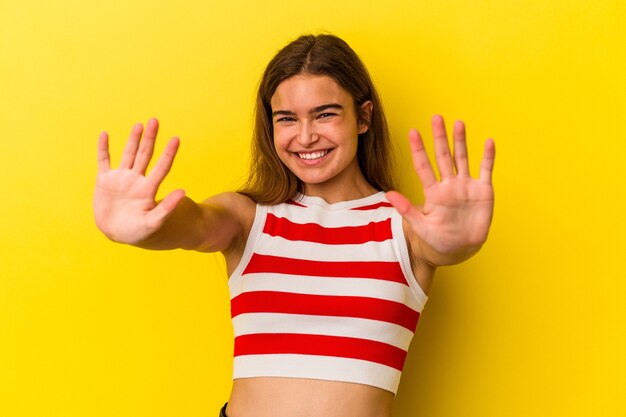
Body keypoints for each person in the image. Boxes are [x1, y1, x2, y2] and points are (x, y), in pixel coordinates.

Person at [94, 34, 495, 417]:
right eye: (287, 118)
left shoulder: (404, 228)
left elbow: (443, 247)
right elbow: (194, 223)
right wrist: (145, 228)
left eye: (325, 114)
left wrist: (458, 243)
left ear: (363, 117)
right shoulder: (248, 218)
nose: (305, 136)